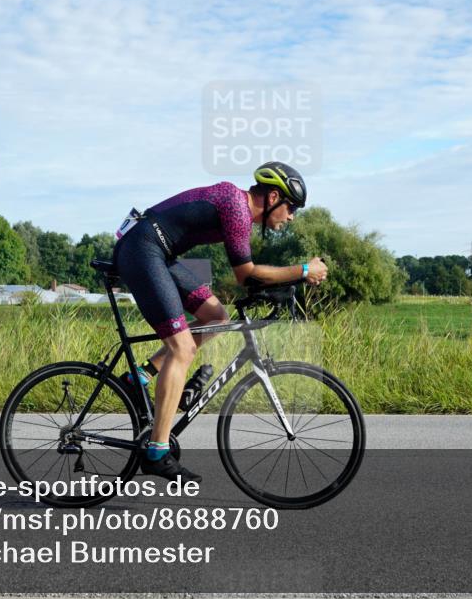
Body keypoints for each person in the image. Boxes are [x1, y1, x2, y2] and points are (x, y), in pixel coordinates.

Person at [112, 162, 328, 482]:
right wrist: (304, 271)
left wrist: (280, 288)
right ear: (272, 197)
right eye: (291, 207)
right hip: (142, 250)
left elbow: (250, 278)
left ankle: (140, 377)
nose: (292, 216)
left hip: (159, 252)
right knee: (183, 349)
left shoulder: (237, 208)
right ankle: (157, 452)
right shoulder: (236, 208)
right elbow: (246, 274)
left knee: (215, 318)